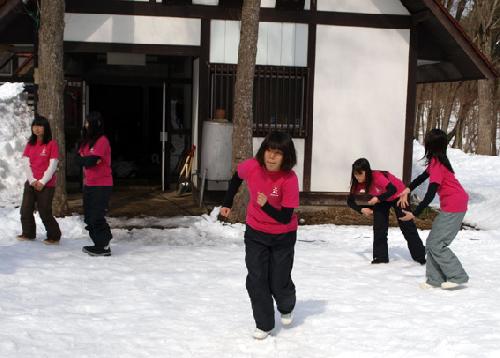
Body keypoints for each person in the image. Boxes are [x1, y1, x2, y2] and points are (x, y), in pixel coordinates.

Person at [220, 131, 299, 340]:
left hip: (283, 235)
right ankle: (264, 324)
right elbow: (236, 177)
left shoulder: (289, 179)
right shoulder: (253, 166)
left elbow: (285, 217)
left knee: (279, 281)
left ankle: (286, 305)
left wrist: (265, 206)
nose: (271, 157)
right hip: (256, 232)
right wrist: (227, 203)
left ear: (286, 156)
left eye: (278, 153)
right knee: (256, 279)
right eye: (268, 152)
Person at [398, 129, 469, 289]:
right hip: (452, 204)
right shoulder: (436, 162)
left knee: (437, 243)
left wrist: (415, 213)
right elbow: (422, 177)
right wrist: (407, 189)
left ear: (431, 145)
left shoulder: (437, 165)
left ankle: (457, 275)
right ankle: (434, 279)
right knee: (432, 243)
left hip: (455, 206)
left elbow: (430, 194)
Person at [347, 158, 426, 265]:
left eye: (360, 173)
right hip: (382, 198)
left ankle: (420, 256)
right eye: (355, 174)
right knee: (379, 226)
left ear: (367, 171)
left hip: (398, 194)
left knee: (406, 225)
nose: (357, 177)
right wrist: (361, 209)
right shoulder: (357, 183)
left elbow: (392, 189)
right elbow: (350, 201)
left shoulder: (377, 177)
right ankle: (380, 258)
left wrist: (378, 199)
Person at [18, 115, 61, 245]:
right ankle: (28, 233)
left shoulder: (51, 144)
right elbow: (26, 163)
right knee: (25, 209)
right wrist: (32, 180)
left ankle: (54, 236)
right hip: (31, 182)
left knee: (44, 211)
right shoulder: (30, 144)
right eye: (34, 126)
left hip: (46, 184)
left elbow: (53, 165)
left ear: (45, 128)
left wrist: (42, 181)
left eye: (40, 126)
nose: (36, 129)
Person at [77, 111, 113, 257]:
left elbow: (91, 161)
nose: (85, 125)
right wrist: (88, 160)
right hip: (89, 184)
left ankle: (104, 245)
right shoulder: (86, 142)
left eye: (88, 122)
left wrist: (88, 160)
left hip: (102, 184)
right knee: (88, 217)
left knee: (96, 216)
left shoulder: (102, 141)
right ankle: (99, 243)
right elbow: (78, 160)